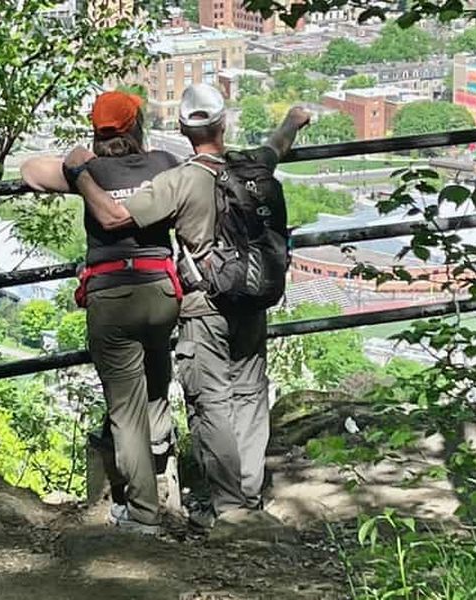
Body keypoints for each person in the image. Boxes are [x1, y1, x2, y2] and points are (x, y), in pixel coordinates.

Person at [62, 83, 310, 529]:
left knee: (211, 401)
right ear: (224, 123)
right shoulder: (252, 164)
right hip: (254, 296)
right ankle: (249, 497)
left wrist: (81, 173)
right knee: (250, 394)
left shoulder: (179, 179)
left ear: (181, 128)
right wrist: (293, 120)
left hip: (204, 304)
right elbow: (277, 145)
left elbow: (115, 216)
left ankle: (228, 506)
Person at [21, 90, 182, 535]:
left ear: (97, 131)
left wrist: (78, 163)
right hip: (161, 292)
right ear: (137, 127)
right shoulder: (164, 164)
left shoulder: (89, 172)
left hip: (112, 298)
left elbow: (30, 170)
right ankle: (162, 453)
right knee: (155, 375)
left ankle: (144, 512)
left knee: (125, 411)